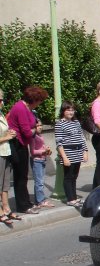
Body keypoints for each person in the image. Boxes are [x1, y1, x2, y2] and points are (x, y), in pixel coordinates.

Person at [7, 85, 49, 214]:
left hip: (22, 144)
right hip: (17, 144)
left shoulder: (26, 108)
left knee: (23, 175)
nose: (39, 104)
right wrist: (35, 129)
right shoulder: (20, 108)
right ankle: (23, 205)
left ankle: (25, 201)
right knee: (20, 176)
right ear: (34, 99)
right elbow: (26, 132)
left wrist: (34, 128)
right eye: (39, 101)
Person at [55, 101, 88, 207]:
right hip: (68, 153)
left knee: (74, 176)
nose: (71, 112)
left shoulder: (76, 122)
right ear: (63, 111)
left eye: (72, 110)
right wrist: (64, 157)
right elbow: (59, 142)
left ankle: (74, 197)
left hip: (78, 152)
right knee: (68, 176)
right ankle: (70, 198)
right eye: (68, 110)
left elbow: (82, 138)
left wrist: (85, 151)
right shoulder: (60, 123)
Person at [0, 89, 18, 226]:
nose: (2, 102)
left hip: (5, 151)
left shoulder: (1, 114)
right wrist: (6, 137)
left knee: (5, 183)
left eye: (2, 99)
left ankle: (6, 207)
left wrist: (9, 132)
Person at [29, 119, 54, 209]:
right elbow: (32, 151)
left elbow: (42, 147)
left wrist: (47, 151)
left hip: (42, 160)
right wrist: (44, 151)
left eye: (41, 125)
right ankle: (40, 201)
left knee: (41, 181)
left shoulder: (40, 136)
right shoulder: (33, 137)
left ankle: (40, 199)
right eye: (37, 126)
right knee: (39, 182)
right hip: (37, 161)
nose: (40, 127)